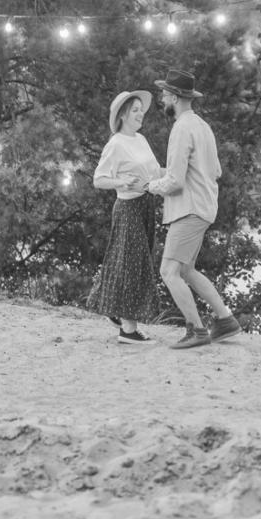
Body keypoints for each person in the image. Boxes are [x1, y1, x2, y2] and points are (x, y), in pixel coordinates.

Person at [146, 68, 241, 350]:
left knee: (168, 271)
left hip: (189, 210)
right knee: (186, 270)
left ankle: (197, 330)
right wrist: (162, 174)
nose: (162, 99)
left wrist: (151, 186)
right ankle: (225, 320)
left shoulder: (181, 128)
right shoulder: (202, 126)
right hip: (203, 207)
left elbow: (175, 182)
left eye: (165, 95)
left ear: (175, 98)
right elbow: (215, 170)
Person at [87, 90, 163, 344]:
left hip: (147, 206)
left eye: (141, 109)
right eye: (135, 110)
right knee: (131, 264)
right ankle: (128, 330)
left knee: (135, 263)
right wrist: (122, 182)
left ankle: (114, 308)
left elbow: (155, 172)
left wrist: (183, 171)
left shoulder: (141, 139)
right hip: (128, 208)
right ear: (122, 115)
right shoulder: (116, 144)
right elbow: (99, 179)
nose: (141, 114)